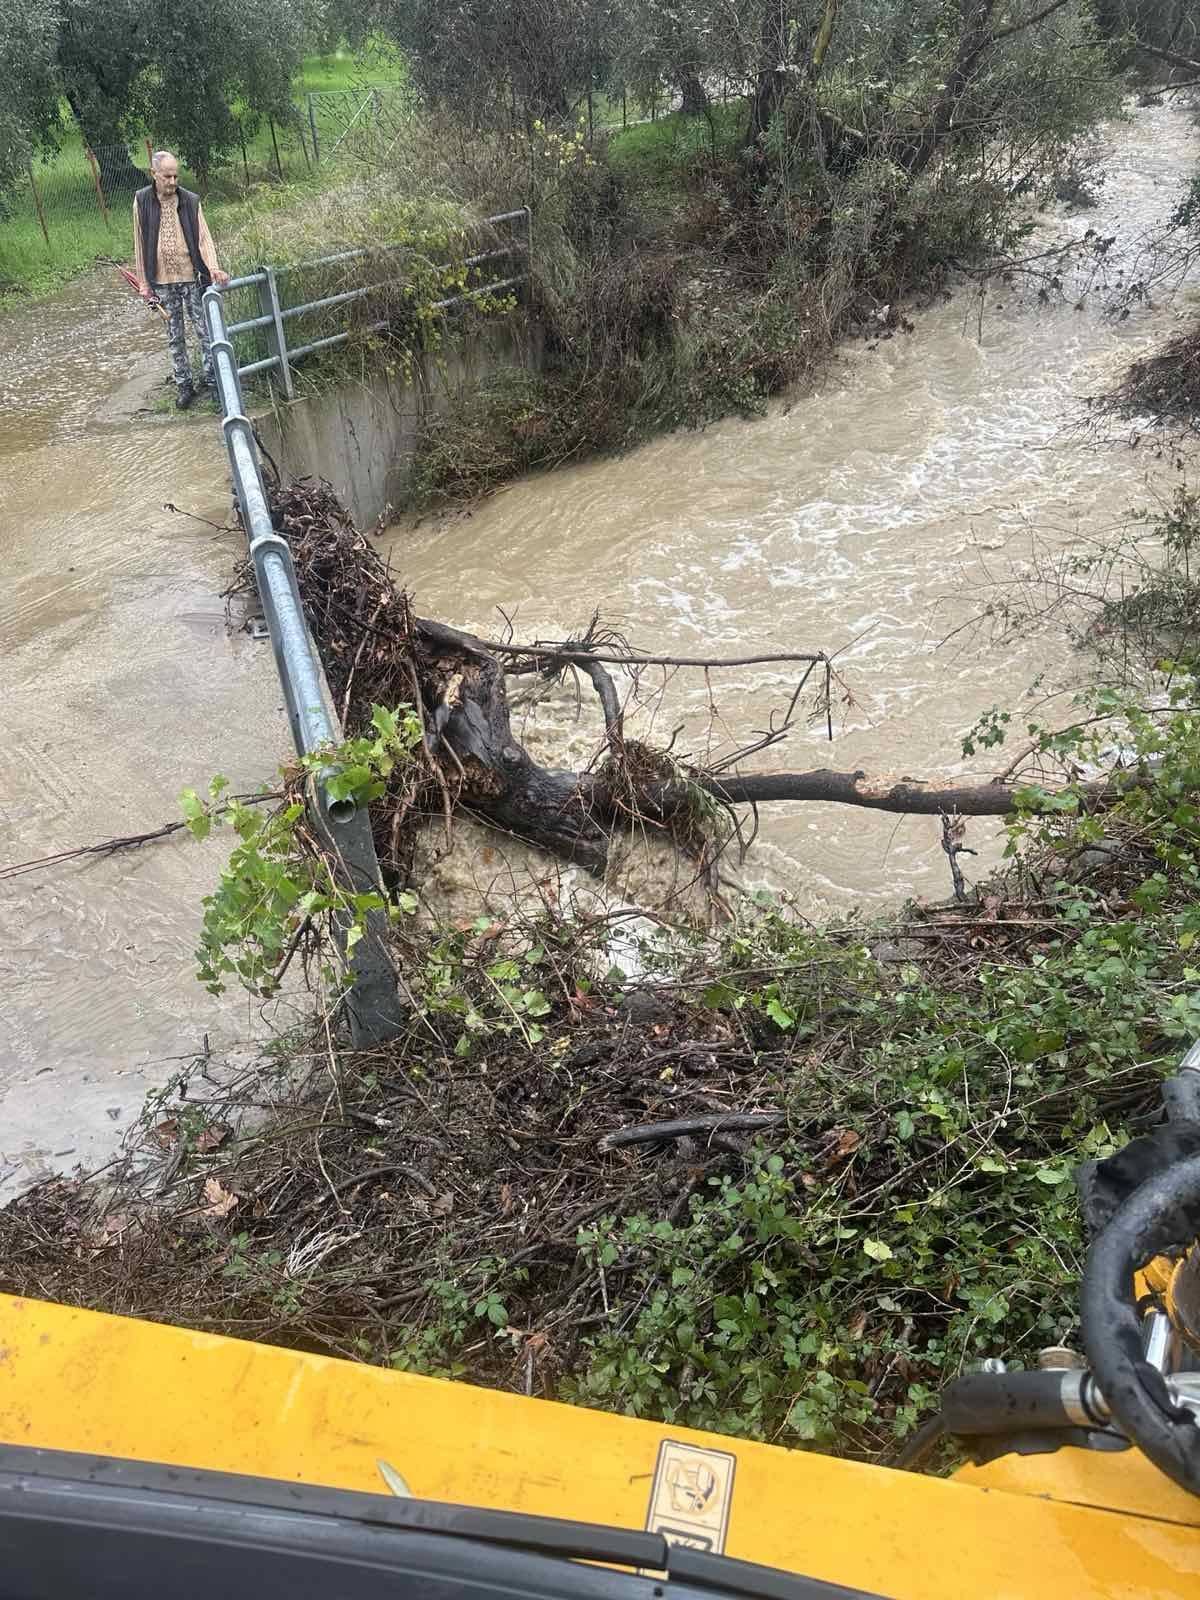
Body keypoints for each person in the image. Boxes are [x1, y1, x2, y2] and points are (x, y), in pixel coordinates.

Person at [133, 151, 231, 410]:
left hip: (193, 277)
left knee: (206, 332)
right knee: (174, 336)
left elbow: (204, 238)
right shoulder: (142, 201)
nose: (173, 181)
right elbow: (139, 243)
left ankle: (213, 383)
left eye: (176, 175)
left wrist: (213, 268)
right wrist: (144, 283)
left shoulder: (190, 201)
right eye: (167, 176)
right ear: (154, 174)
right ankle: (184, 386)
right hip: (162, 282)